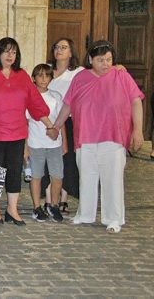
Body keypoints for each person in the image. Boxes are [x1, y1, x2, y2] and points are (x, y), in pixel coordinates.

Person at [53, 40, 144, 234]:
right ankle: (85, 214)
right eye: (101, 60)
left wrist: (138, 130)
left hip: (113, 136)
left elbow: (136, 101)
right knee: (87, 176)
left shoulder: (121, 75)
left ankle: (114, 218)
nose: (106, 64)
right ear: (91, 60)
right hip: (85, 135)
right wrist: (56, 126)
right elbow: (68, 104)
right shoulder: (80, 78)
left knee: (112, 179)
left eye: (109, 59)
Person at [0, 37, 56, 226]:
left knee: (14, 172)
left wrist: (50, 125)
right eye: (6, 51)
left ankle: (12, 209)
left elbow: (35, 103)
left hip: (17, 133)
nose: (10, 55)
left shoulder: (22, 76)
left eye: (14, 52)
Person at [45, 37, 83, 212]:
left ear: (70, 51)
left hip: (68, 121)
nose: (59, 50)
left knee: (67, 159)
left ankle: (64, 199)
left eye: (64, 47)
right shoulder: (46, 71)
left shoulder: (78, 72)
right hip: (48, 120)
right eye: (56, 47)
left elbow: (99, 74)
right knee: (48, 159)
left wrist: (117, 68)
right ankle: (48, 196)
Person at [26, 64, 67, 223]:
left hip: (54, 143)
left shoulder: (56, 96)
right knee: (36, 176)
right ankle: (36, 207)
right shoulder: (29, 97)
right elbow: (25, 122)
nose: (44, 79)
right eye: (40, 75)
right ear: (34, 78)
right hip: (35, 142)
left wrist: (64, 142)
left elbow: (61, 120)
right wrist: (25, 147)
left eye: (47, 76)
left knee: (57, 176)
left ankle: (53, 205)